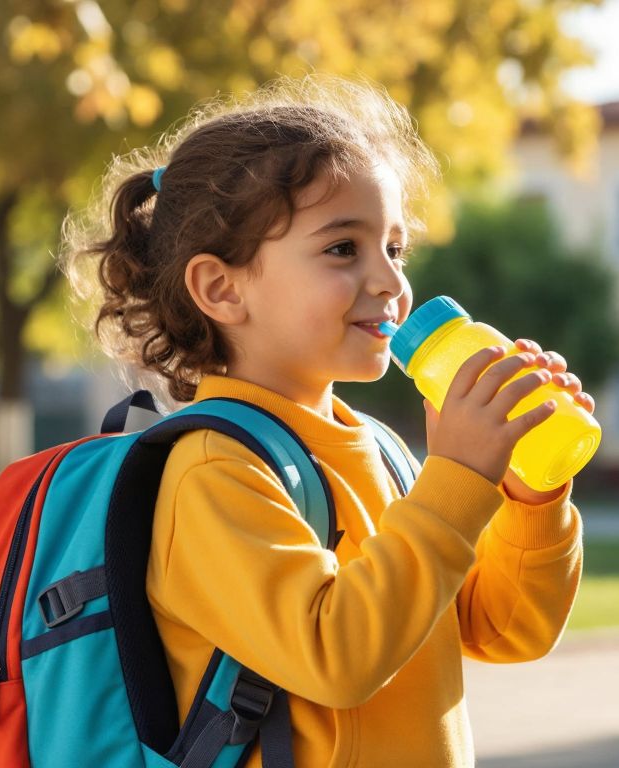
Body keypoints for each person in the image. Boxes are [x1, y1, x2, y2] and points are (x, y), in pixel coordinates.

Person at [60, 75, 591, 767]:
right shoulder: (212, 470)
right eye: (344, 248)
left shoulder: (384, 451)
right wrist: (456, 480)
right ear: (221, 288)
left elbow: (506, 631)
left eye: (394, 248)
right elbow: (335, 657)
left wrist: (530, 494)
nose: (391, 282)